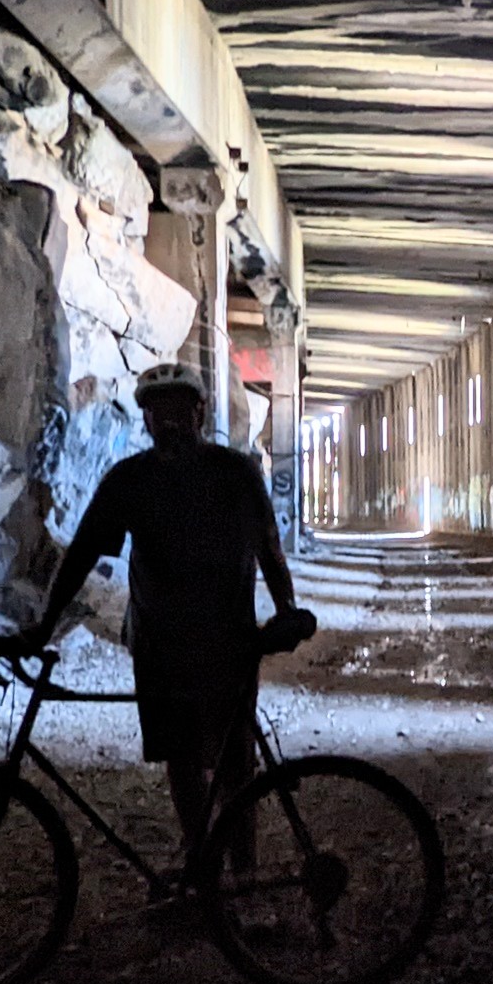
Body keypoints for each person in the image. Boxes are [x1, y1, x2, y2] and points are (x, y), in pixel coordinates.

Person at [21, 361, 301, 875]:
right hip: (160, 644)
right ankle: (203, 864)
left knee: (234, 763)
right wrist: (44, 624)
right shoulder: (132, 480)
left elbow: (269, 548)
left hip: (226, 643)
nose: (168, 421)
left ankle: (242, 873)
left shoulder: (232, 473)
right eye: (157, 411)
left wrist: (287, 610)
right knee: (183, 757)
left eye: (178, 409)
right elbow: (81, 554)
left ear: (200, 413)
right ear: (145, 419)